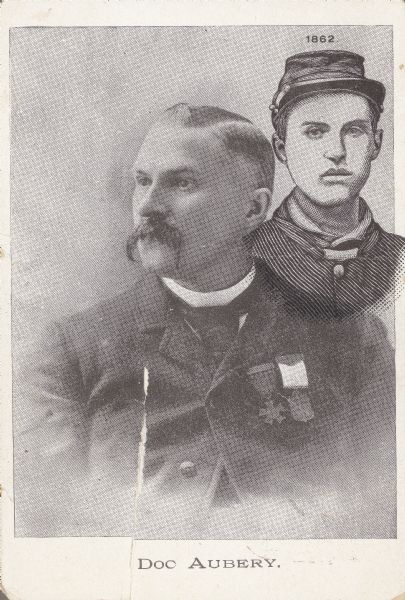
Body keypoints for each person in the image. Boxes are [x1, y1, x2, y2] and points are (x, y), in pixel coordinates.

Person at [14, 103, 395, 539]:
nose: (148, 206)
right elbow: (50, 526)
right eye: (142, 182)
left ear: (253, 210)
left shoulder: (350, 336)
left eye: (182, 182)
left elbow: (380, 513)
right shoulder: (71, 349)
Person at [251, 50, 405, 318]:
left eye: (354, 130)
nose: (336, 151)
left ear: (376, 143)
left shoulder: (400, 258)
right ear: (281, 148)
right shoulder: (244, 257)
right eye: (315, 132)